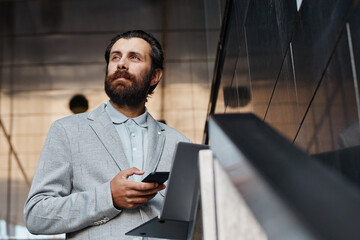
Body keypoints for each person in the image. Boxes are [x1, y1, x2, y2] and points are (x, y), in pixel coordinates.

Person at [24, 30, 190, 239]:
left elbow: (194, 219)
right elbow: (37, 215)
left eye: (134, 57)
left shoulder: (179, 143)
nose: (121, 64)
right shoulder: (67, 131)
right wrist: (108, 197)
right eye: (115, 57)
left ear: (155, 76)